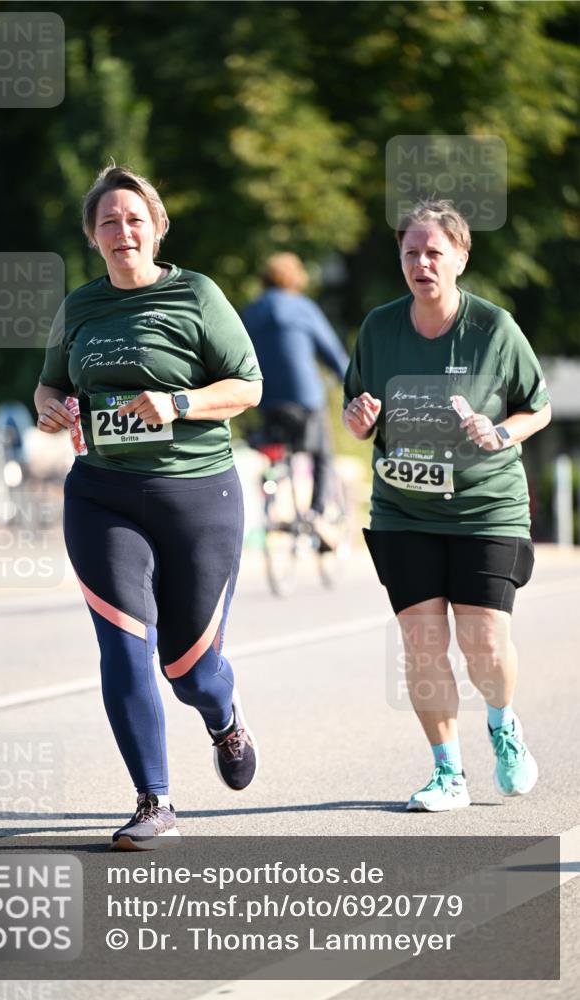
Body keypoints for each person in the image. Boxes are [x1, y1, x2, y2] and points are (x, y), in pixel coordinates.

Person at [35, 164, 263, 848]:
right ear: (93, 235)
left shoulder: (196, 294)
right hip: (101, 494)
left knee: (186, 667)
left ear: (156, 228)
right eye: (109, 221)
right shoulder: (79, 306)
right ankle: (153, 800)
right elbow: (46, 388)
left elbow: (247, 385)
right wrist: (51, 411)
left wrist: (180, 402)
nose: (122, 230)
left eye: (135, 219)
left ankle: (223, 717)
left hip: (197, 494)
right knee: (122, 647)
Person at [343, 198, 551, 812]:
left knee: (484, 644)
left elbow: (536, 406)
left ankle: (503, 722)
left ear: (460, 257)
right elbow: (358, 413)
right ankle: (448, 773)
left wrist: (501, 432)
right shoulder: (379, 328)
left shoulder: (494, 329)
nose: (422, 263)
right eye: (411, 252)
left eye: (435, 252)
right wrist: (358, 419)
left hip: (486, 507)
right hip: (405, 508)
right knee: (423, 645)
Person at [242, 253, 349, 539]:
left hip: (266, 399)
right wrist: (351, 382)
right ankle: (317, 513)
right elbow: (332, 352)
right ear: (296, 279)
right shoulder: (303, 308)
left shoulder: (250, 312)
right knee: (323, 454)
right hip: (305, 398)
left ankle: (272, 498)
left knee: (274, 450)